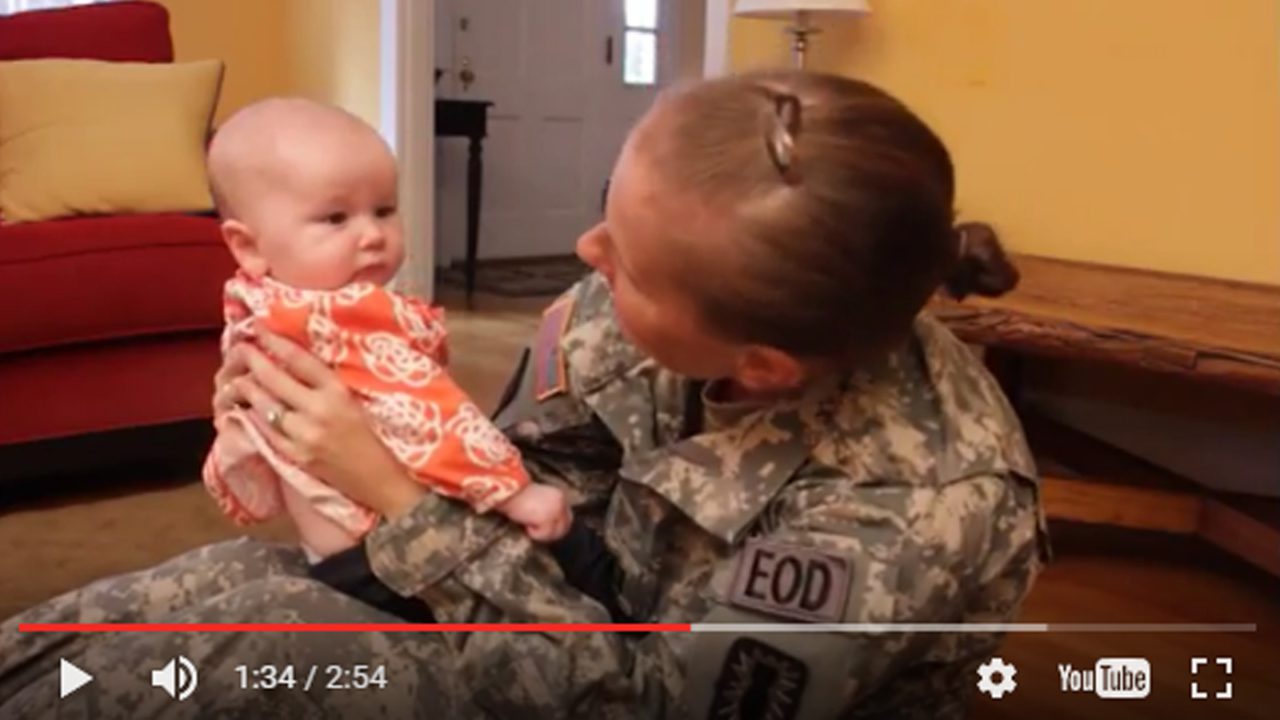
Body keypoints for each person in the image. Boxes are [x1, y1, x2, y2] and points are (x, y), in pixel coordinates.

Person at [0, 70, 1049, 719]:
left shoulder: (904, 508)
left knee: (250, 657)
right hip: (547, 606)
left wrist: (397, 505)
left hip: (609, 688)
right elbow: (527, 465)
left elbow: (648, 707)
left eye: (627, 263)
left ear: (765, 364)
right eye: (607, 214)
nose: (587, 257)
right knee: (167, 602)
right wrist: (346, 434)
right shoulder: (639, 307)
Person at [199, 98, 572, 573]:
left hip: (331, 539)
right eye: (336, 218)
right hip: (385, 556)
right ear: (248, 245)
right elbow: (428, 414)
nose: (372, 235)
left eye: (384, 210)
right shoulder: (340, 323)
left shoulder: (256, 303)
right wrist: (514, 491)